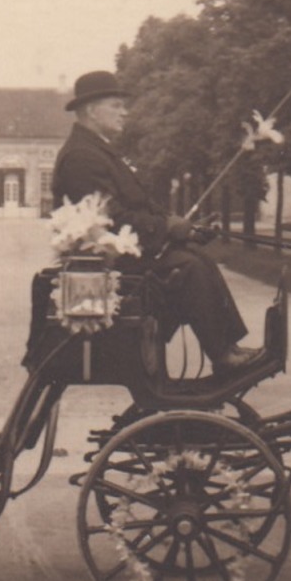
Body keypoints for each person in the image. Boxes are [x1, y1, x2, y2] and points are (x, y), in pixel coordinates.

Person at [51, 70, 261, 373]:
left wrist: (183, 228)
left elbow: (140, 204)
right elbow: (112, 220)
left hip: (120, 256)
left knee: (195, 258)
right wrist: (169, 229)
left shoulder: (97, 150)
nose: (125, 112)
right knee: (188, 267)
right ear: (92, 111)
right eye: (116, 105)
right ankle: (222, 354)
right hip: (105, 263)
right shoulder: (83, 157)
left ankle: (227, 347)